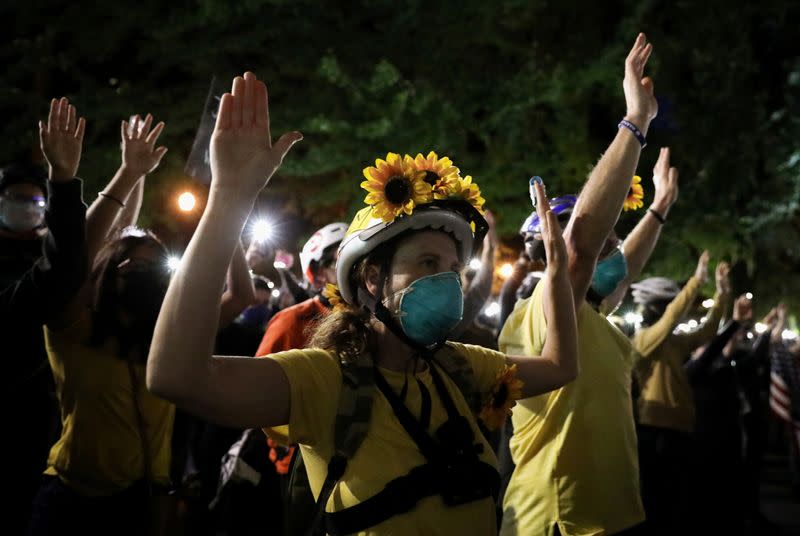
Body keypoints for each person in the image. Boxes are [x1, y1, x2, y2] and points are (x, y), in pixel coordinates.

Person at [147, 71, 578, 535]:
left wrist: (558, 270)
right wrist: (230, 197)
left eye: (454, 268)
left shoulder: (462, 369)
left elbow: (560, 365)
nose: (449, 281)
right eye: (428, 262)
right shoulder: (324, 379)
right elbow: (176, 376)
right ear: (373, 279)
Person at [499, 33, 665, 536]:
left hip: (610, 518)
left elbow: (622, 263)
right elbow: (578, 255)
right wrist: (634, 124)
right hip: (558, 520)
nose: (610, 255)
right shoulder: (543, 311)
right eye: (601, 246)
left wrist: (659, 209)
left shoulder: (594, 318)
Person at [3, 97, 88, 535]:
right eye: (14, 198)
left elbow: (71, 263)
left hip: (37, 431)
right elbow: (56, 277)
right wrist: (64, 180)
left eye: (33, 200)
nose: (23, 205)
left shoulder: (38, 251)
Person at [630, 253, 730, 534]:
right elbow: (672, 318)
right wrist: (696, 282)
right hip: (654, 429)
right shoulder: (643, 341)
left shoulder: (671, 342)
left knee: (676, 501)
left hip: (680, 427)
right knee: (655, 502)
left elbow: (707, 331)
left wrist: (722, 295)